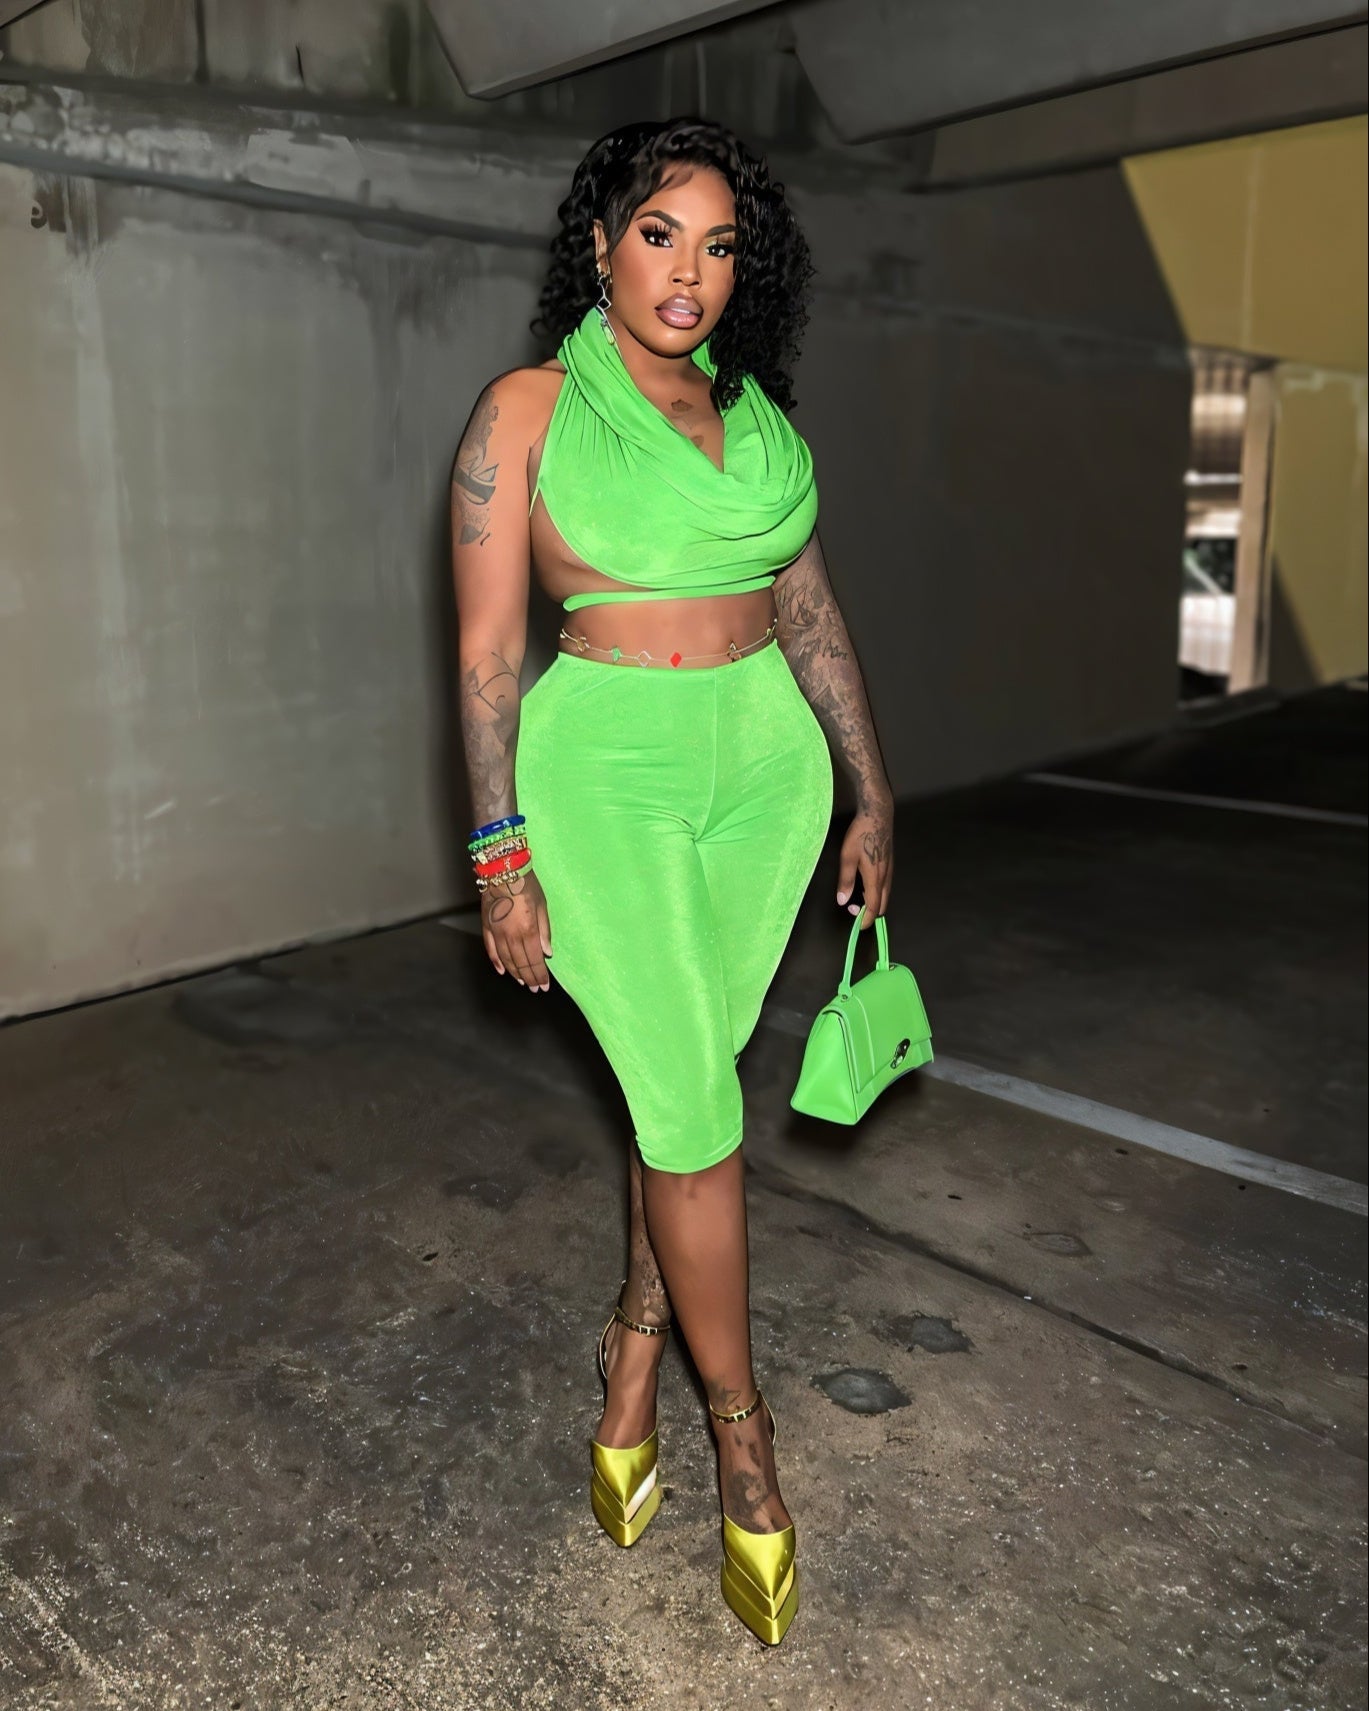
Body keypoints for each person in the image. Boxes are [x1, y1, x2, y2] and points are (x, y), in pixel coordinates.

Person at [450, 117, 893, 1646]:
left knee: (677, 1083)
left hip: (764, 774)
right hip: (607, 779)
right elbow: (486, 651)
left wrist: (869, 786)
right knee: (699, 1118)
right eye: (658, 234)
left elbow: (809, 609)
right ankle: (743, 1444)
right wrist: (500, 858)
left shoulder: (754, 418)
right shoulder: (522, 412)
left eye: (717, 244)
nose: (688, 271)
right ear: (598, 246)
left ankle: (632, 1349)